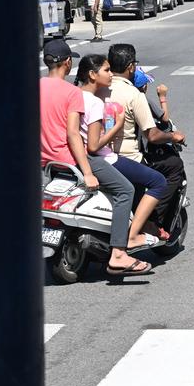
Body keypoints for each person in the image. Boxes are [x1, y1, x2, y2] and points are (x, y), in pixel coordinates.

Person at [39, 40, 150, 276]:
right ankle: (119, 254)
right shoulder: (73, 93)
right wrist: (87, 171)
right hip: (72, 159)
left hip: (47, 163)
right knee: (126, 190)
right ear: (68, 63)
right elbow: (72, 134)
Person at [76, 55, 169, 253]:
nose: (110, 75)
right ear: (92, 75)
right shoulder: (95, 102)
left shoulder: (75, 95)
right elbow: (94, 146)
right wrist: (116, 126)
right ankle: (132, 236)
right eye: (106, 70)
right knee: (156, 182)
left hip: (84, 158)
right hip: (104, 157)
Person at [106, 43, 187, 237]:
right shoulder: (134, 94)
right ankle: (150, 221)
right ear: (131, 67)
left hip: (99, 154)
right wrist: (173, 136)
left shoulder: (99, 88)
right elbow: (152, 135)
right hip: (127, 157)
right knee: (173, 167)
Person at [132, 69, 186, 231]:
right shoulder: (140, 99)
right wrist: (162, 97)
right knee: (174, 166)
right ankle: (154, 219)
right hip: (135, 155)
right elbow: (164, 122)